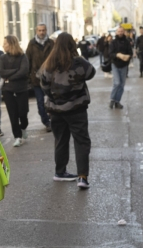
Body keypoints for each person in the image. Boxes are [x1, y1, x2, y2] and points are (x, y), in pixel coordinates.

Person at [37, 32, 95, 189]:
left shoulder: (49, 64)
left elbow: (44, 84)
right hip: (77, 108)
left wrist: (55, 97)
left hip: (56, 110)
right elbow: (91, 73)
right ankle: (82, 177)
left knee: (61, 140)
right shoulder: (79, 62)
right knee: (81, 141)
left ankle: (60, 172)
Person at [0, 35, 30, 147]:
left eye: (5, 43)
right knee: (13, 114)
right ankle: (17, 136)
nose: (3, 45)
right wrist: (16, 71)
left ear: (11, 44)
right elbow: (1, 71)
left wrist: (10, 76)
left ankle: (24, 127)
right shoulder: (2, 58)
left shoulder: (22, 56)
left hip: (21, 88)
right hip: (8, 90)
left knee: (23, 112)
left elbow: (24, 71)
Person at [26, 24, 54, 132]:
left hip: (50, 78)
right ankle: (46, 122)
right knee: (40, 102)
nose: (41, 32)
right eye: (39, 30)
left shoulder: (51, 43)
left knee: (52, 100)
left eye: (43, 30)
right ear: (36, 31)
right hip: (36, 79)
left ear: (46, 30)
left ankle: (53, 119)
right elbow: (28, 60)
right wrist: (28, 77)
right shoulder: (32, 44)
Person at [108, 26, 133, 109]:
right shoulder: (113, 42)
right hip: (115, 64)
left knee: (122, 84)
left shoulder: (127, 42)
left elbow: (130, 53)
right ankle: (112, 99)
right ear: (116, 32)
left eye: (122, 31)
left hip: (124, 66)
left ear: (124, 32)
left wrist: (127, 57)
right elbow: (110, 54)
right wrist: (117, 55)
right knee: (117, 82)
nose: (120, 33)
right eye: (119, 31)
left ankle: (117, 101)